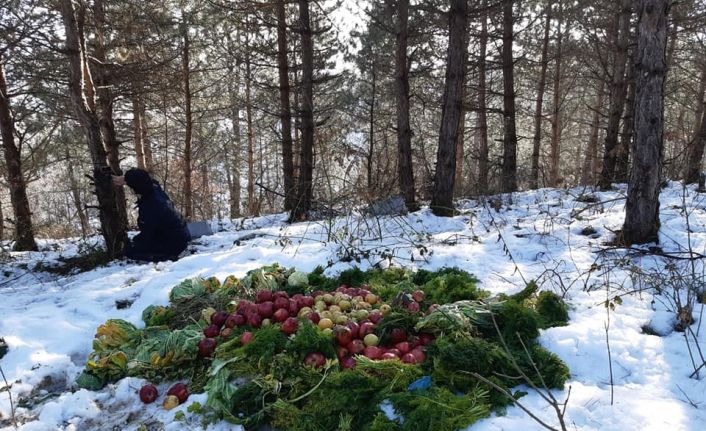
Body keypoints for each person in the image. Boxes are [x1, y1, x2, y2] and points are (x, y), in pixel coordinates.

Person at [112, 168, 190, 262]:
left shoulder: (150, 206)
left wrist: (132, 243)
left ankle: (166, 257)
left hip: (174, 243)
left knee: (131, 251)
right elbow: (145, 179)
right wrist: (125, 179)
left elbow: (147, 234)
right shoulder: (154, 188)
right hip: (181, 233)